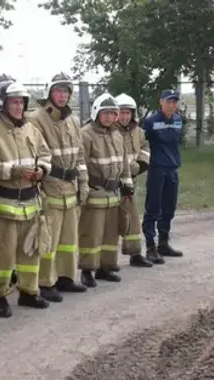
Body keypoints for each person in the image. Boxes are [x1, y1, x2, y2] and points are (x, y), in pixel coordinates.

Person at [0, 81, 53, 317]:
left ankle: (28, 291)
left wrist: (42, 170)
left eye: (21, 102)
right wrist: (15, 172)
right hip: (5, 204)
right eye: (14, 102)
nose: (19, 107)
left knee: (30, 251)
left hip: (31, 201)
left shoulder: (31, 129)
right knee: (2, 253)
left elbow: (45, 154)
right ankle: (0, 296)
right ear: (2, 104)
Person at [28, 72, 89, 301]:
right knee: (48, 239)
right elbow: (35, 155)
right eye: (58, 91)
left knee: (68, 239)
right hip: (50, 186)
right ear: (49, 93)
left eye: (66, 91)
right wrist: (39, 188)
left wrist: (83, 184)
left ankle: (65, 277)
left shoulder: (73, 121)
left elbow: (80, 156)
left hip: (70, 187)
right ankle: (46, 282)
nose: (62, 96)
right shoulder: (36, 119)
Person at [78, 93, 133, 287]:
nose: (109, 117)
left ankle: (106, 267)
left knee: (111, 234)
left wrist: (127, 184)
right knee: (91, 234)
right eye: (105, 113)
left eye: (113, 113)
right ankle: (87, 270)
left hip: (113, 194)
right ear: (96, 113)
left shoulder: (117, 135)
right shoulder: (86, 134)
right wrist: (84, 188)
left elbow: (124, 163)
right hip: (95, 193)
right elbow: (81, 163)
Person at [114, 93, 158, 267]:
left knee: (132, 219)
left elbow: (145, 148)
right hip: (111, 183)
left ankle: (135, 254)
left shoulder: (138, 132)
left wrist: (140, 165)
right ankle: (106, 262)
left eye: (128, 113)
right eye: (121, 112)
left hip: (131, 182)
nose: (125, 117)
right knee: (109, 223)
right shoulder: (109, 131)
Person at [141, 89, 184, 264]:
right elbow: (141, 142)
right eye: (168, 101)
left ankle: (163, 243)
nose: (172, 105)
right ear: (161, 102)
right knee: (153, 208)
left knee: (169, 208)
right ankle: (150, 247)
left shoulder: (178, 121)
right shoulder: (151, 122)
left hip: (172, 169)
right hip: (157, 170)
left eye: (174, 101)